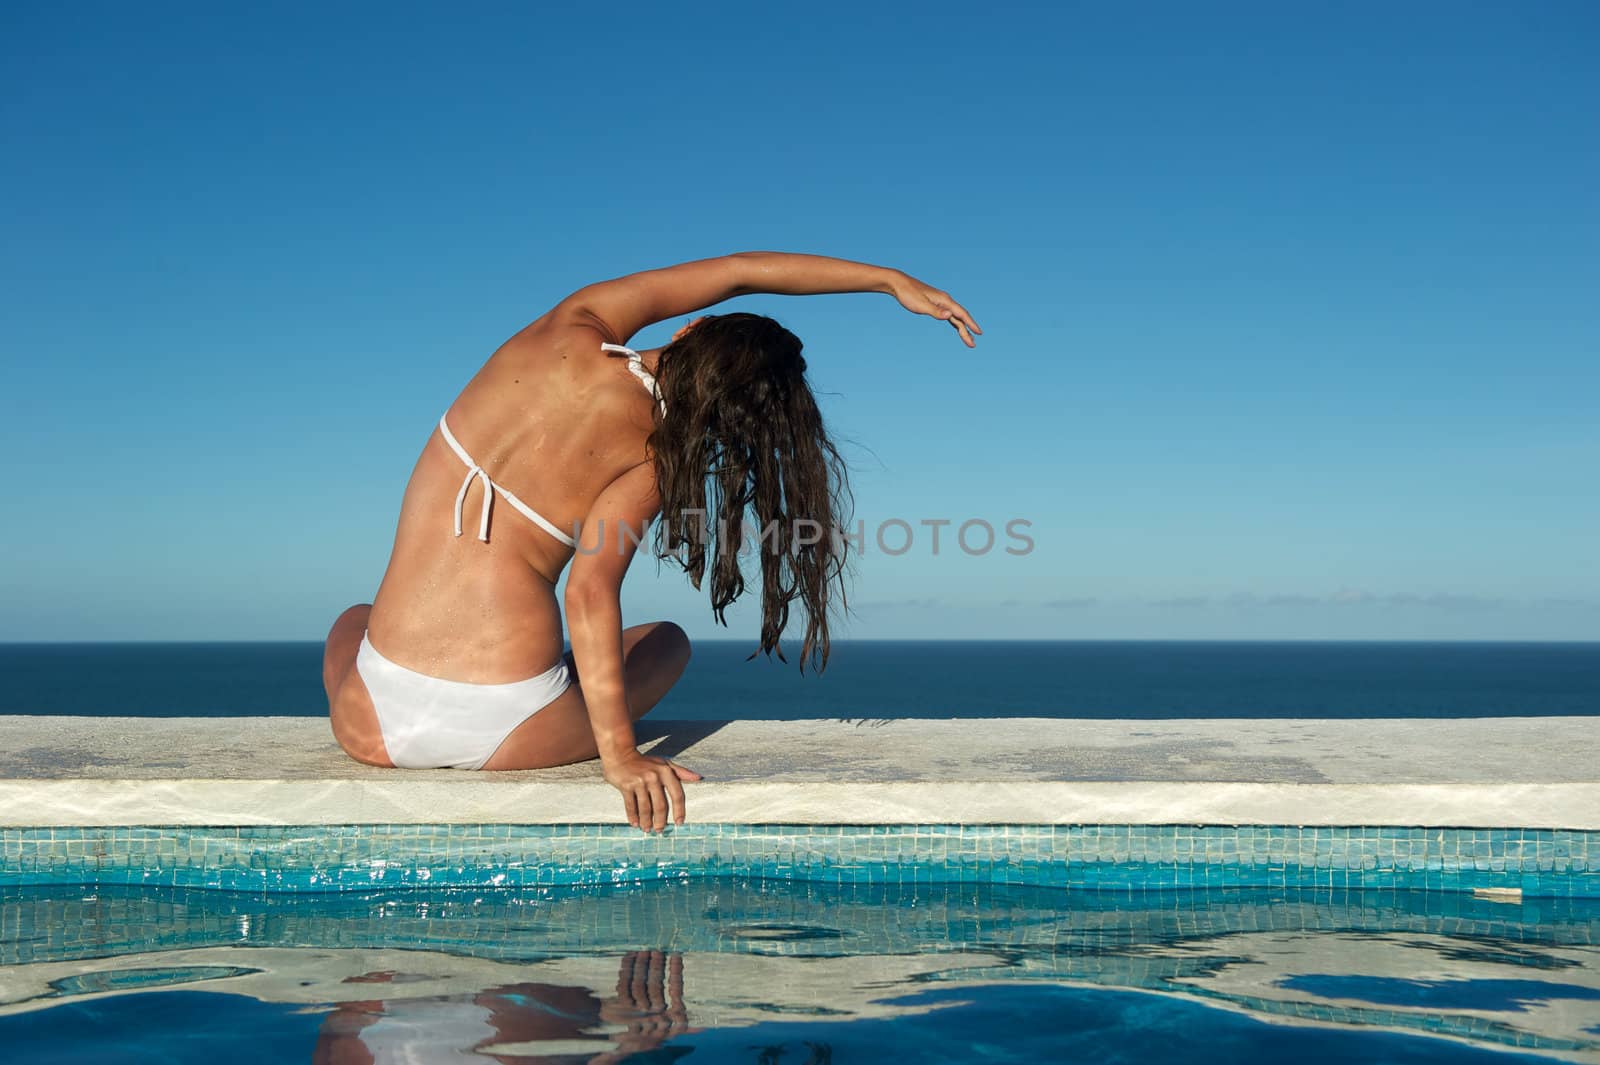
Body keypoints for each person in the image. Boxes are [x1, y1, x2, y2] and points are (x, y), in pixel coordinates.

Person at [321, 251, 981, 830]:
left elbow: (739, 273)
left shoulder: (571, 324)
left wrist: (887, 280)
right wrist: (621, 757)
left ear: (689, 327)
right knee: (667, 641)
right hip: (509, 729)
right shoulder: (655, 458)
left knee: (354, 620)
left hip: (373, 720)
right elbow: (589, 589)